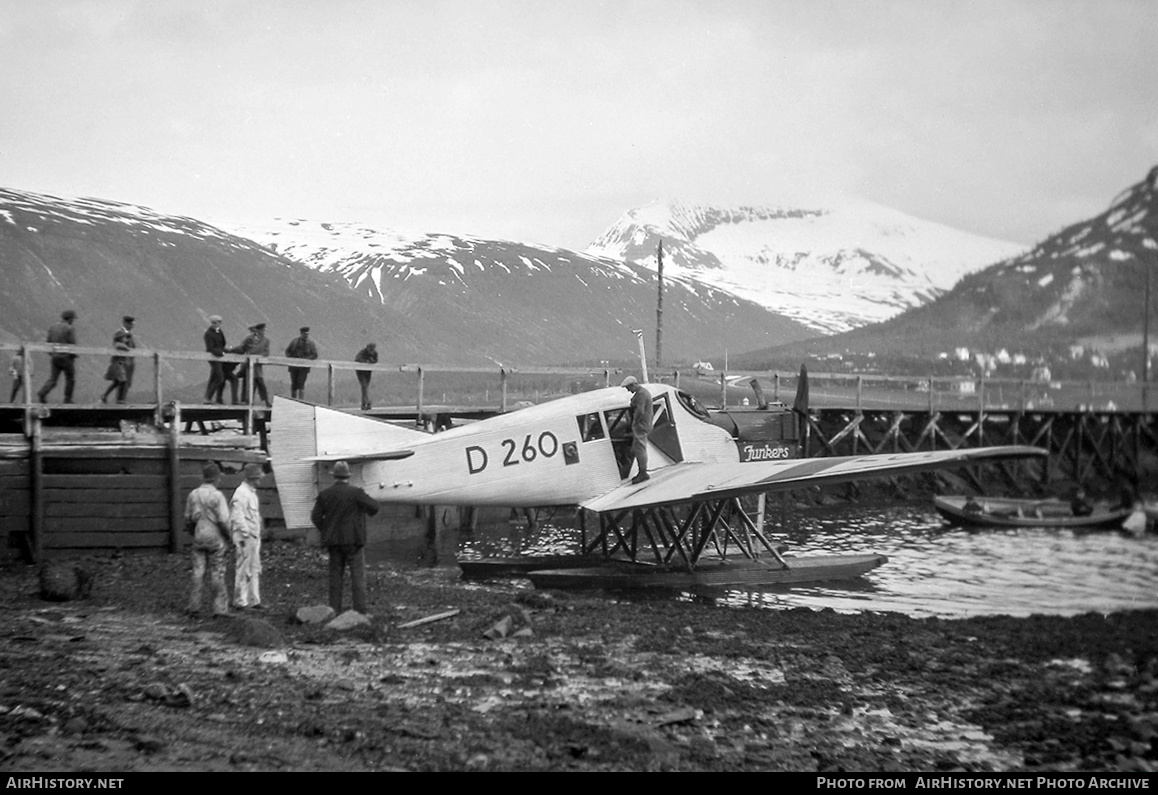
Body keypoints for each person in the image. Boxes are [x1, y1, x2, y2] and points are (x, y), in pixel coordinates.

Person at [310, 460, 379, 615]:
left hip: (333, 541)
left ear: (334, 476)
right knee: (358, 577)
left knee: (335, 577)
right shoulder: (356, 493)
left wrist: (326, 529)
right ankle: (359, 612)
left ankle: (334, 610)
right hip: (354, 541)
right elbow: (375, 507)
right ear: (348, 476)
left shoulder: (325, 494)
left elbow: (315, 517)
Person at [185, 462, 233, 618]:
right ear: (217, 478)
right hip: (215, 538)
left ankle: (194, 607)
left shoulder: (193, 494)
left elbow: (188, 519)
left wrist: (194, 532)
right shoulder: (217, 496)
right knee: (217, 572)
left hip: (199, 535)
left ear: (203, 477)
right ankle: (219, 609)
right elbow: (224, 520)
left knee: (198, 572)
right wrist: (230, 537)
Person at [229, 463, 265, 610]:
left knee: (255, 568)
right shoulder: (241, 493)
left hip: (253, 536)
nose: (260, 480)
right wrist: (246, 533)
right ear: (252, 478)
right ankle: (240, 601)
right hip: (246, 537)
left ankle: (254, 600)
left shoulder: (250, 492)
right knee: (243, 568)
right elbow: (236, 515)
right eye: (258, 478)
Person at [36, 310, 78, 404]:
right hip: (67, 357)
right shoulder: (69, 328)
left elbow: (48, 342)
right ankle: (67, 399)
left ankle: (43, 392)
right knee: (70, 379)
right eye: (73, 319)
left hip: (55, 357)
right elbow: (72, 344)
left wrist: (53, 354)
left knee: (53, 379)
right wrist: (73, 356)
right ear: (70, 319)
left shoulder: (52, 327)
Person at [621, 376, 653, 484]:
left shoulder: (641, 394)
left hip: (641, 426)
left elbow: (640, 410)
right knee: (638, 447)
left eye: (628, 387)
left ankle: (643, 472)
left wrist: (635, 422)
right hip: (643, 424)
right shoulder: (642, 393)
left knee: (640, 448)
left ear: (634, 385)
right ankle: (641, 471)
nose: (628, 390)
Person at [236, 322, 271, 406]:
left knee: (260, 383)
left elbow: (266, 352)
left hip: (257, 366)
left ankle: (265, 401)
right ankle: (245, 401)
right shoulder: (249, 338)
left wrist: (259, 356)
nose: (263, 332)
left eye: (263, 330)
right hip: (248, 365)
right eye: (262, 330)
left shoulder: (266, 340)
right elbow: (242, 347)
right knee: (247, 383)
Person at [203, 315, 232, 404]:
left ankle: (213, 398)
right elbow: (210, 348)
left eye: (218, 323)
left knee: (214, 377)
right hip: (213, 357)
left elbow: (222, 344)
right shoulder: (208, 333)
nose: (216, 324)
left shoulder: (219, 332)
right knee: (220, 378)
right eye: (214, 323)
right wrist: (221, 353)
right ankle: (208, 398)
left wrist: (228, 350)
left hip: (219, 357)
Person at [285, 326, 318, 400]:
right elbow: (287, 352)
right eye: (304, 334)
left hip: (304, 368)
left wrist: (306, 359)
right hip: (294, 367)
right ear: (301, 334)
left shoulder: (310, 344)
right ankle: (293, 401)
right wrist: (292, 358)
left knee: (301, 384)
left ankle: (301, 401)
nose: (306, 336)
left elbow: (315, 355)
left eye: (307, 334)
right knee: (294, 385)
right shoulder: (295, 342)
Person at [100, 339, 131, 404]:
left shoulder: (120, 346)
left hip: (119, 363)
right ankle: (120, 399)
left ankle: (105, 396)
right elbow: (125, 348)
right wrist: (128, 348)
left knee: (116, 382)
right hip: (118, 364)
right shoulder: (119, 344)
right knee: (123, 381)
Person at [113, 316, 136, 401]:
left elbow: (133, 346)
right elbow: (117, 343)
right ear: (125, 323)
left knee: (128, 382)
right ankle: (119, 399)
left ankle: (122, 398)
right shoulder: (120, 332)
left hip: (129, 361)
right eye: (130, 324)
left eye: (132, 324)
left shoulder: (130, 334)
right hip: (120, 361)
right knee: (121, 379)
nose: (132, 326)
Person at [354, 342, 378, 410]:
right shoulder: (362, 353)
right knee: (364, 386)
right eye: (370, 350)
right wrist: (365, 361)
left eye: (373, 350)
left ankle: (364, 404)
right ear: (367, 348)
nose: (371, 351)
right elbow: (357, 359)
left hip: (368, 372)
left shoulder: (375, 354)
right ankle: (367, 402)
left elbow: (375, 360)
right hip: (360, 372)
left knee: (365, 387)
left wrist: (372, 361)